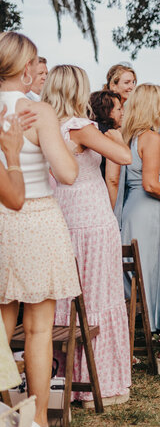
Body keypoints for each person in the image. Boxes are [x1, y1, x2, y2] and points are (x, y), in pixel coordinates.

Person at [0, 32, 80, 427]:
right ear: (26, 68)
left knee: (1, 328)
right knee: (38, 330)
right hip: (37, 220)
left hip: (1, 219)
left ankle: (3, 410)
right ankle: (35, 420)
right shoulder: (40, 112)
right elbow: (67, 173)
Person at [43, 65, 133, 407]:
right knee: (98, 296)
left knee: (68, 299)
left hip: (64, 216)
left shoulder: (50, 127)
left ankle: (64, 378)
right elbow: (123, 158)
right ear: (77, 91)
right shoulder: (81, 127)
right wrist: (112, 132)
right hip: (93, 221)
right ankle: (101, 382)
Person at [116, 84, 160, 330]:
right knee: (153, 270)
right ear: (154, 107)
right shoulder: (151, 137)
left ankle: (144, 327)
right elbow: (150, 183)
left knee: (140, 271)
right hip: (150, 211)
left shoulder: (130, 137)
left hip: (133, 209)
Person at [89, 90, 125, 206]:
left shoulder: (89, 132)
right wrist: (113, 211)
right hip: (104, 199)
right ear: (107, 112)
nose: (123, 113)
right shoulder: (110, 135)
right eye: (119, 109)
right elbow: (112, 179)